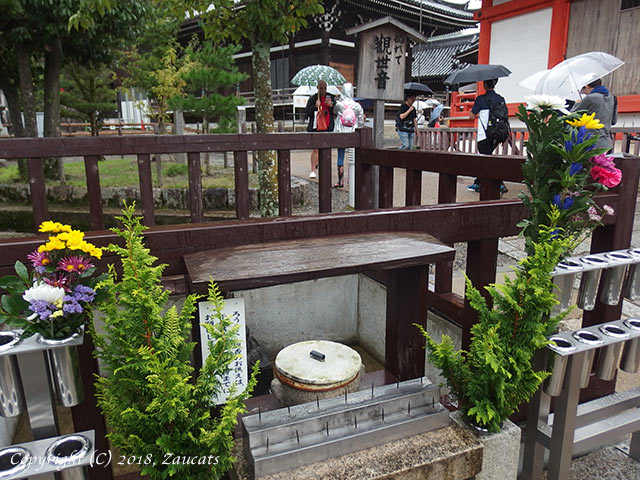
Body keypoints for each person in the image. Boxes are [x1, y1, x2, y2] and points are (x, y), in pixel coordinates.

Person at [467, 79, 508, 194]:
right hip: (497, 133)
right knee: (487, 158)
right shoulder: (501, 99)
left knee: (484, 160)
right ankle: (479, 183)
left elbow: (471, 116)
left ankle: (498, 185)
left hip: (484, 134)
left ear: (485, 85)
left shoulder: (481, 99)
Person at [571, 78, 617, 152]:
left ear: (587, 86)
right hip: (607, 143)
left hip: (591, 142)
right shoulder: (612, 97)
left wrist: (577, 103)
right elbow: (614, 121)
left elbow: (572, 115)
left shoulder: (590, 98)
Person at [333, 83, 365, 188]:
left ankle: (340, 181)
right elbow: (361, 121)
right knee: (353, 157)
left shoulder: (339, 105)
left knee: (340, 156)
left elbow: (334, 112)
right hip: (353, 133)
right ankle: (352, 180)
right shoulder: (357, 106)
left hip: (340, 133)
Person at [305, 80, 338, 178]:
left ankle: (324, 169)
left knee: (326, 149)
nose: (323, 90)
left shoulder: (331, 97)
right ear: (317, 88)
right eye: (321, 88)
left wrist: (331, 106)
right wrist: (315, 107)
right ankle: (313, 170)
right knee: (315, 149)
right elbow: (307, 113)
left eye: (324, 88)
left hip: (327, 127)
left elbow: (337, 111)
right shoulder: (313, 99)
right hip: (316, 127)